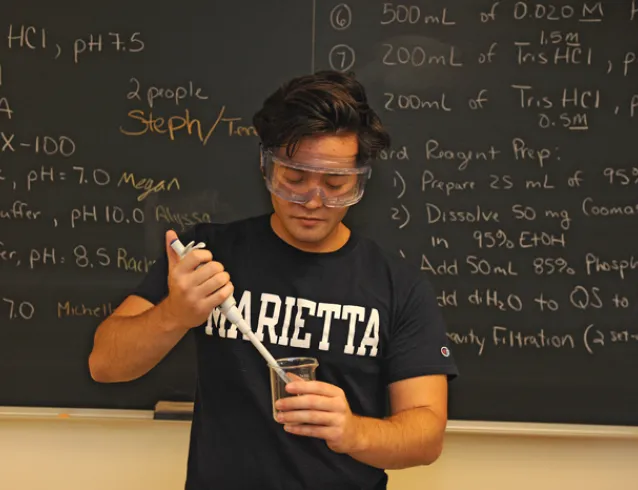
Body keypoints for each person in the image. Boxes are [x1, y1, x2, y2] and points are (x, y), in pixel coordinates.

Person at [88, 70, 458, 490]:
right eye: (294, 179)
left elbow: (426, 435)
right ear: (266, 167)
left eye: (335, 184)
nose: (313, 201)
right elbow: (105, 364)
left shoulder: (398, 285)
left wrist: (353, 432)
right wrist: (175, 313)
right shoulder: (207, 256)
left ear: (359, 180)